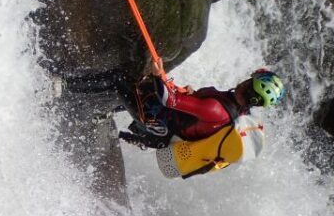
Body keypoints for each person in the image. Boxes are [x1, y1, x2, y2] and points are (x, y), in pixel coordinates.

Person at [118, 61, 286, 178]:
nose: (245, 80)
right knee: (119, 129)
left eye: (250, 80)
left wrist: (157, 75)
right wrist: (195, 96)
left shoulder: (216, 109)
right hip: (164, 137)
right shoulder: (240, 114)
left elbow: (169, 100)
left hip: (157, 121)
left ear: (249, 86)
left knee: (118, 80)